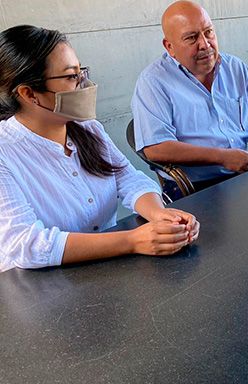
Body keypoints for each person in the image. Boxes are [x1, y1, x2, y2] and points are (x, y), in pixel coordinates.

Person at [0, 25, 200, 272]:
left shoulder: (88, 128)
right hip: (39, 293)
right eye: (72, 77)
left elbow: (127, 177)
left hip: (106, 272)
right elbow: (26, 244)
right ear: (29, 93)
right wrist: (132, 240)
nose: (85, 84)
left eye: (81, 71)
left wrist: (159, 215)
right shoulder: (5, 153)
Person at [131, 1, 248, 196]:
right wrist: (222, 157)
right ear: (169, 46)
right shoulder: (153, 82)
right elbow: (155, 148)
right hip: (193, 188)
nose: (205, 44)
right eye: (192, 38)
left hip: (242, 174)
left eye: (209, 32)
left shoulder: (235, 67)